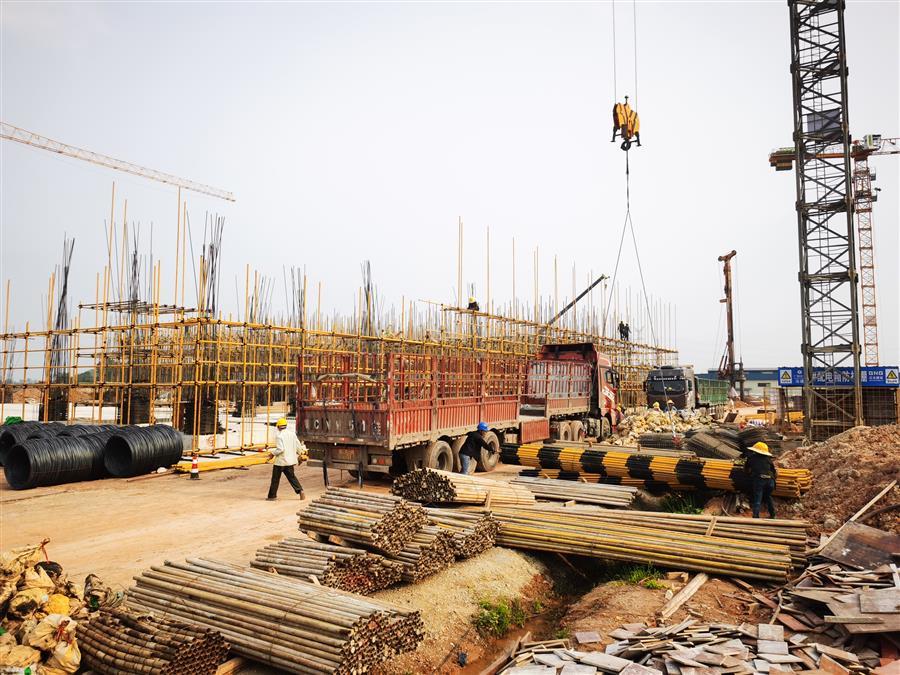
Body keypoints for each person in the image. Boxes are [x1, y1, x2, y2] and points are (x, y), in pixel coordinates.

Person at [267, 418, 307, 501]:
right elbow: (298, 446)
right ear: (286, 426)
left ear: (278, 426)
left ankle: (272, 496)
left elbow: (280, 449)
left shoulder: (279, 436)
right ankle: (300, 491)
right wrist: (301, 454)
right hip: (290, 461)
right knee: (292, 477)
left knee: (275, 479)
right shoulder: (292, 434)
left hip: (280, 462)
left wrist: (272, 453)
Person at [745, 442, 777, 519]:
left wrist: (749, 475)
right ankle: (773, 515)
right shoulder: (769, 459)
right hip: (770, 481)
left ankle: (756, 516)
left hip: (760, 480)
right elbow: (774, 472)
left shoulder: (752, 458)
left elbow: (746, 469)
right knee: (768, 497)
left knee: (758, 497)